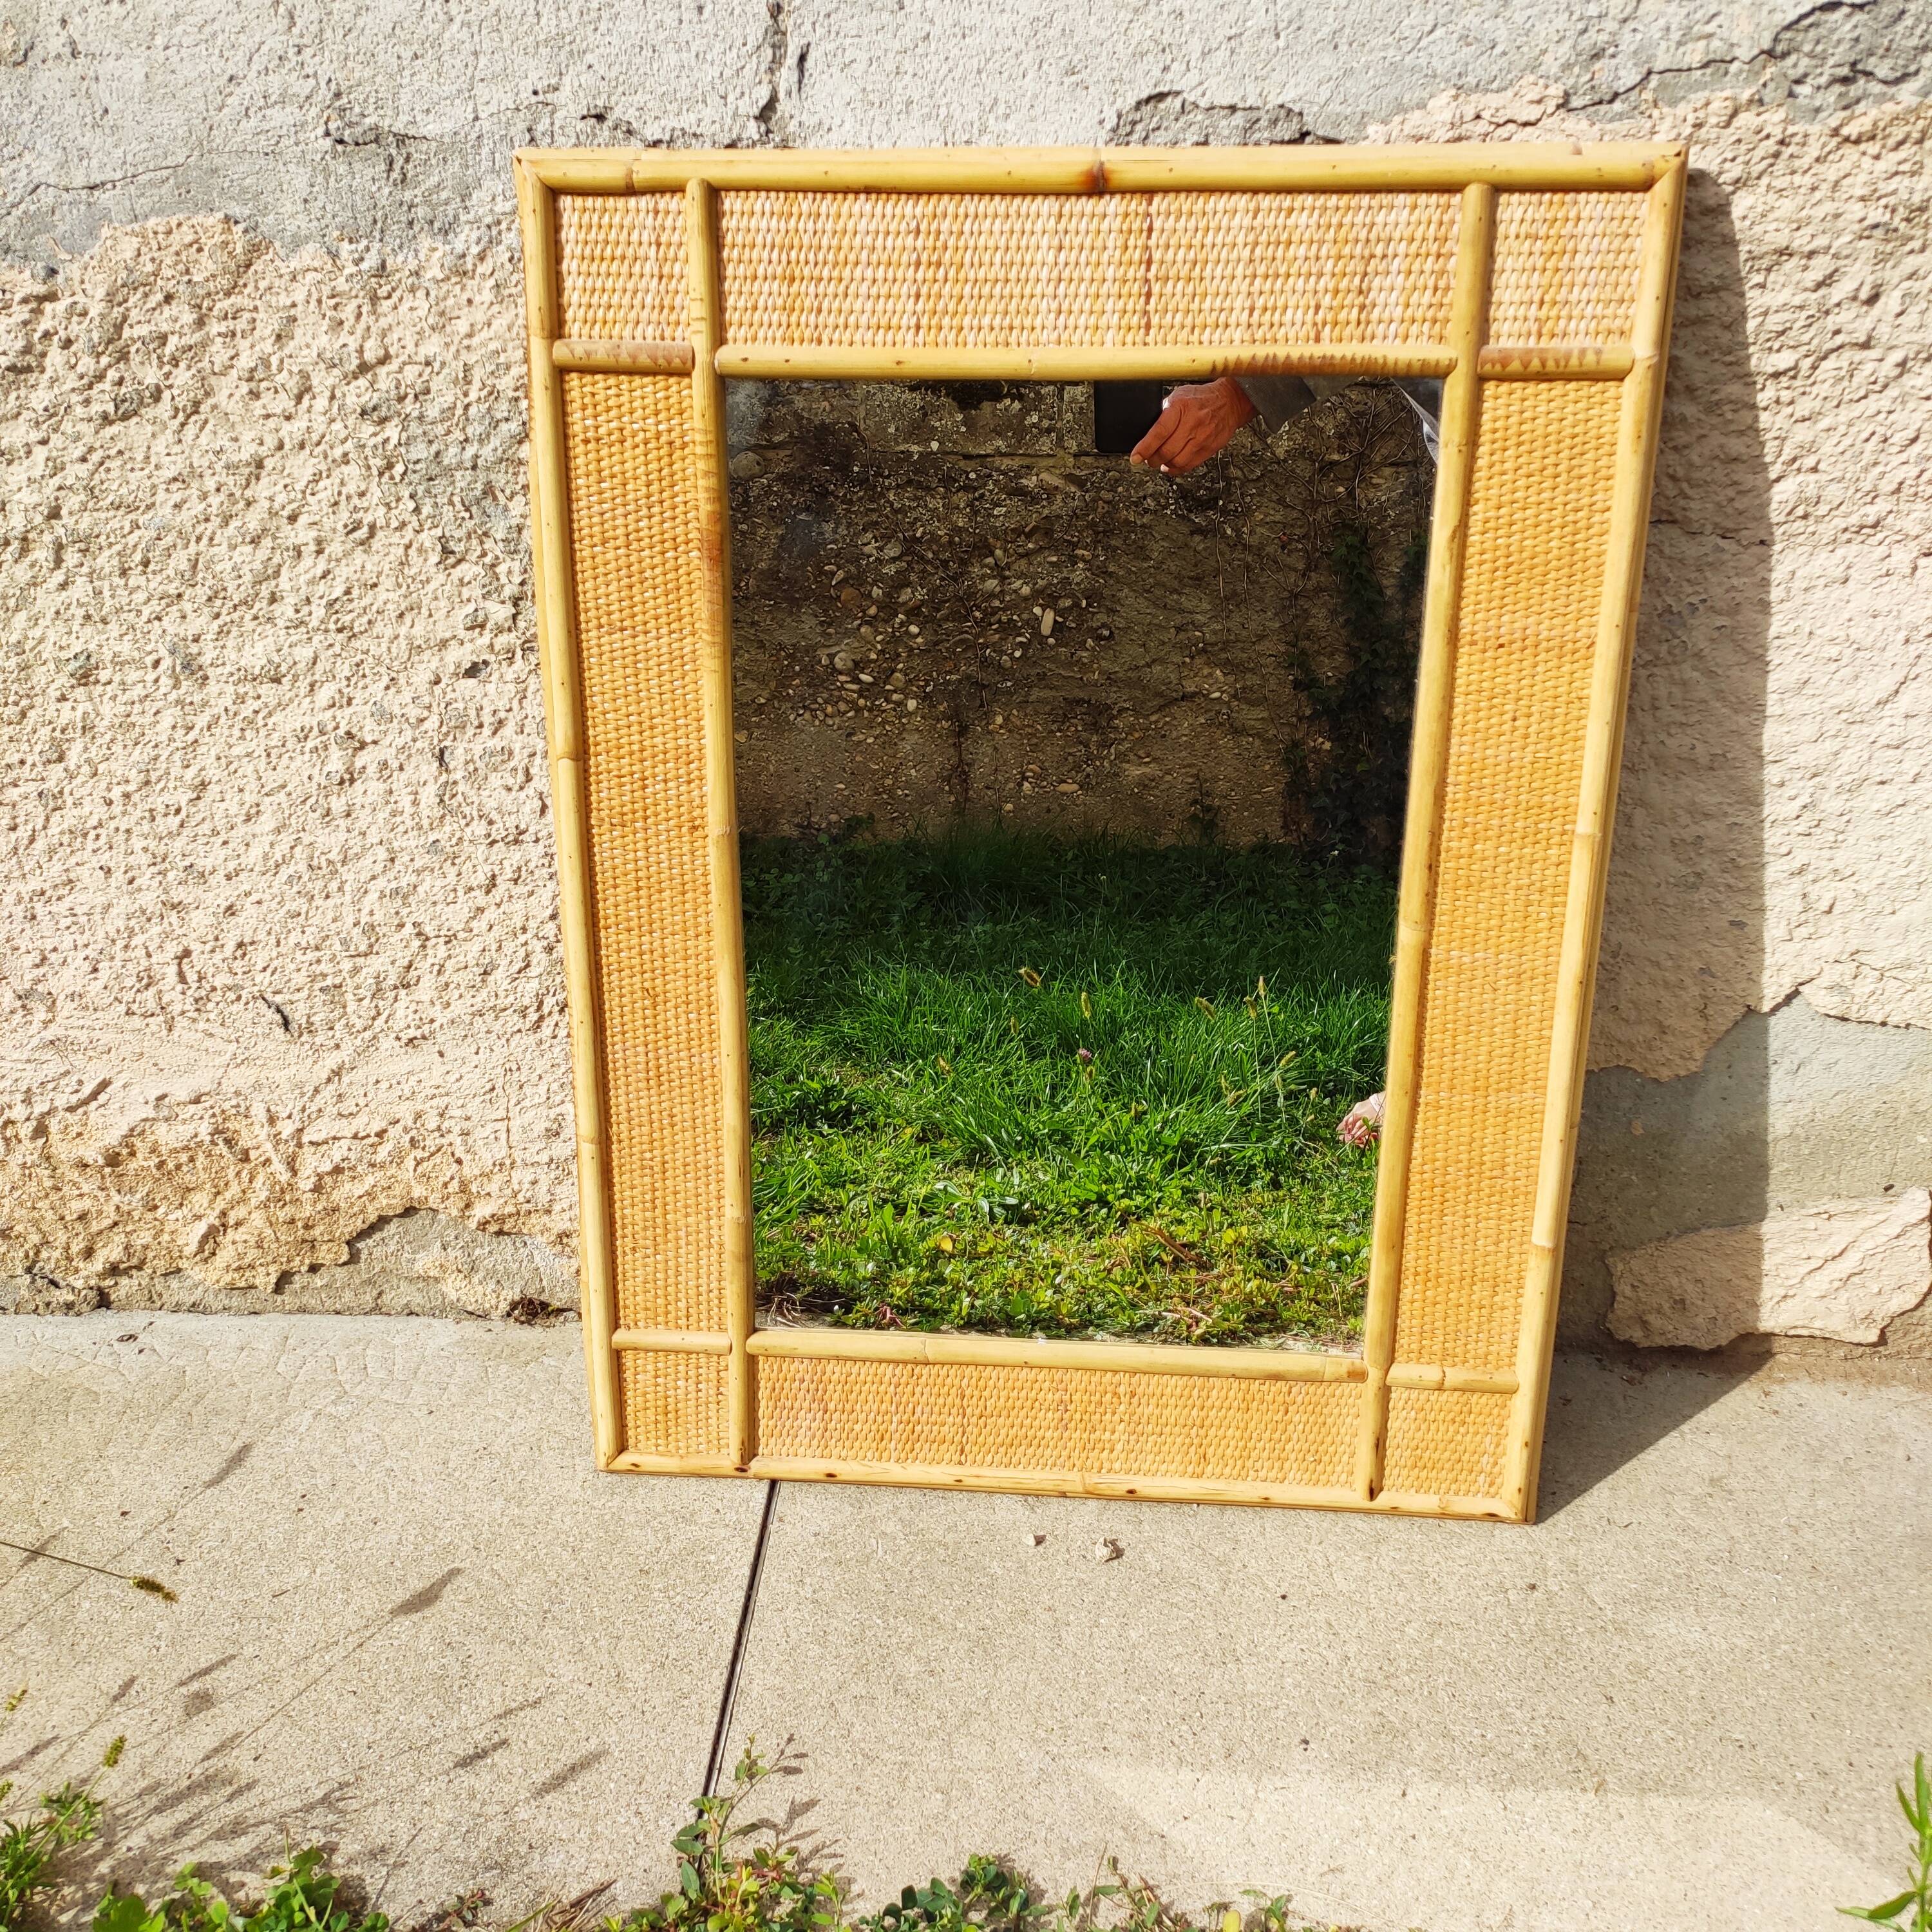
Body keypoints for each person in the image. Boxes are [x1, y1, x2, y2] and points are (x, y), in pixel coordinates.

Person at [1126, 374, 1443, 1150]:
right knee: (1474, 808)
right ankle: (1445, 1072)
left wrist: (1244, 388)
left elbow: (1403, 268)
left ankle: (1464, 1082)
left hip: (1559, 469)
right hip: (1487, 472)